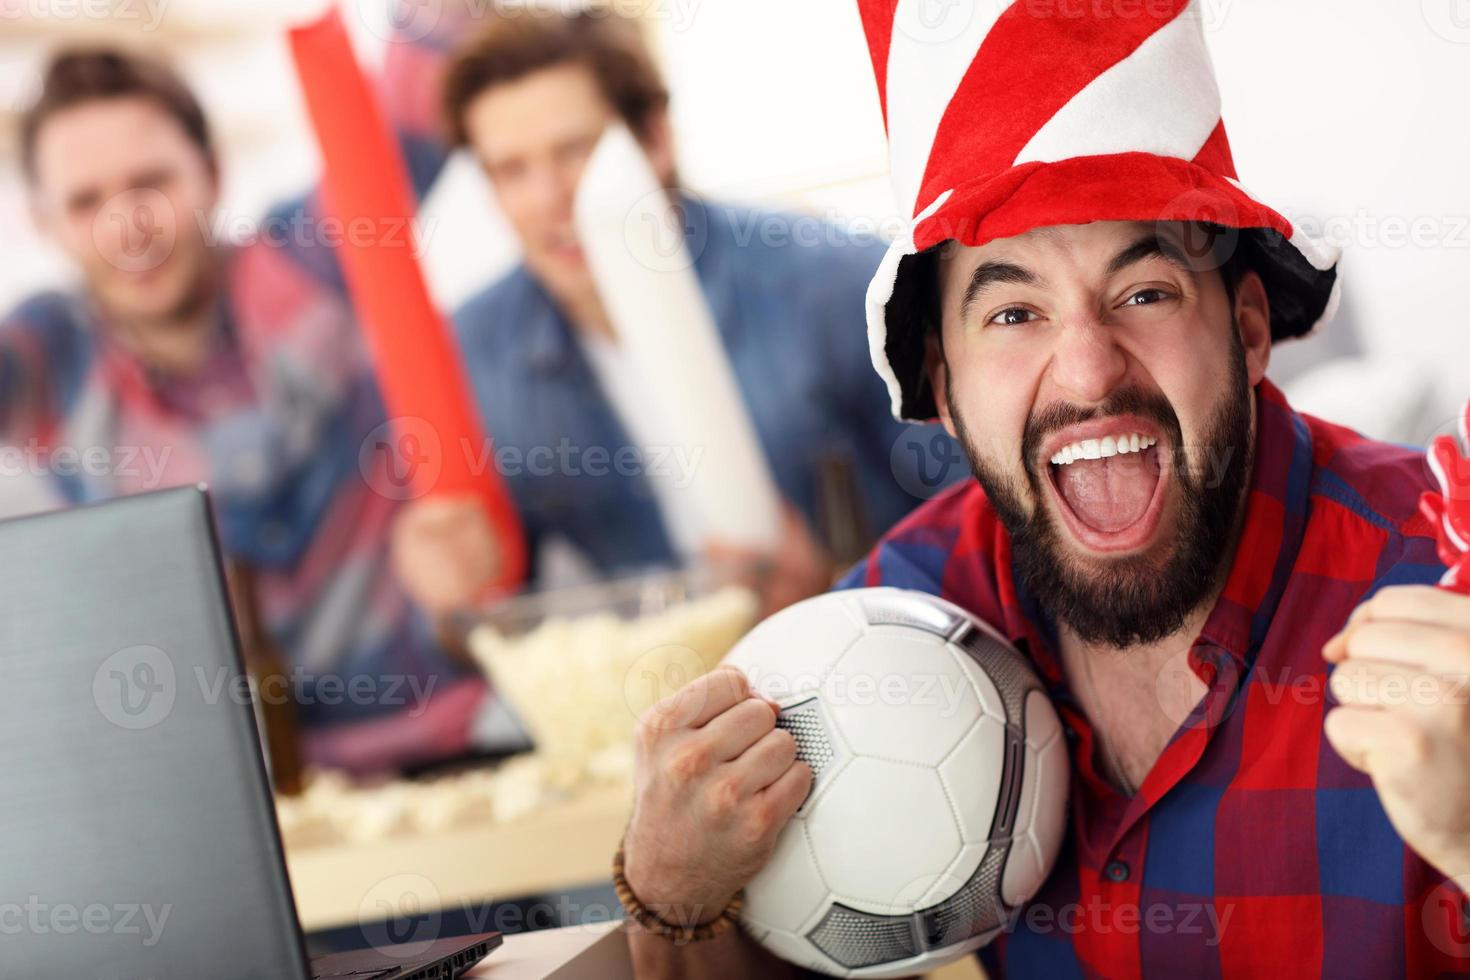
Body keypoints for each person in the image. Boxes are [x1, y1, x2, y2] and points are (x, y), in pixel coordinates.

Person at [615, 3, 1470, 977]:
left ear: (1248, 328)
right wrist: (674, 891)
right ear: (941, 384)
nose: (1088, 372)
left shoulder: (1446, 571)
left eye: (1145, 293)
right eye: (1014, 311)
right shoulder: (885, 631)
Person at [1, 31, 490, 772]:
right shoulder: (47, 358)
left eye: (151, 182)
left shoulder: (316, 254)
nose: (127, 226)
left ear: (212, 173)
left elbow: (427, 63)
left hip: (442, 754)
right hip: (224, 796)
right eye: (85, 200)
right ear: (44, 223)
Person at [389, 9, 963, 616]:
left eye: (575, 150)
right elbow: (485, 623)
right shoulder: (476, 353)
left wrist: (840, 590)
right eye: (510, 170)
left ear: (654, 139)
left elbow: (990, 522)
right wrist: (451, 590)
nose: (547, 200)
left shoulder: (831, 284)